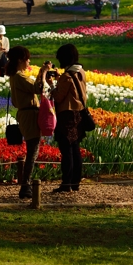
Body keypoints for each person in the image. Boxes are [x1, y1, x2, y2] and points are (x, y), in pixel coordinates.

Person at [7, 46, 48, 199]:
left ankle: (26, 184)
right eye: (27, 58)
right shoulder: (19, 76)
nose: (29, 61)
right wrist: (42, 72)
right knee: (32, 151)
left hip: (27, 114)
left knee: (33, 150)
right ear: (20, 60)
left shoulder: (17, 76)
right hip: (29, 115)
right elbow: (38, 88)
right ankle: (25, 186)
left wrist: (42, 74)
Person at [46, 43, 87, 193]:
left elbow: (58, 96)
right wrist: (59, 80)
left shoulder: (67, 76)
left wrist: (51, 85)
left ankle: (66, 183)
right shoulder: (80, 71)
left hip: (67, 116)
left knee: (67, 150)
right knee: (75, 149)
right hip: (79, 114)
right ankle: (75, 182)